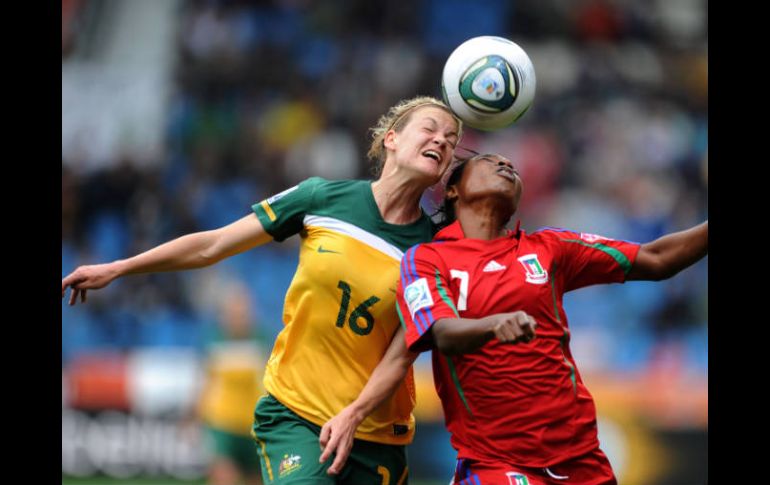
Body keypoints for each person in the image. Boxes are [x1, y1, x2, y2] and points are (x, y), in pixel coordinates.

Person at [62, 95, 463, 484]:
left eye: (451, 139)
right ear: (391, 138)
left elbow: (401, 354)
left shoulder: (434, 249)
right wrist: (119, 267)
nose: (441, 141)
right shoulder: (321, 198)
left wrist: (355, 414)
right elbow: (213, 245)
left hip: (377, 434)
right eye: (430, 129)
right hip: (295, 414)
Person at [395, 153, 708, 485]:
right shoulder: (428, 259)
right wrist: (493, 325)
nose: (506, 166)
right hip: (498, 461)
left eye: (512, 166)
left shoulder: (548, 247)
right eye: (489, 161)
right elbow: (441, 332)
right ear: (453, 190)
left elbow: (656, 259)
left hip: (581, 458)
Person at [193, 284, 267, 485]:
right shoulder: (213, 341)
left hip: (253, 425)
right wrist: (195, 418)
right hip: (222, 423)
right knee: (223, 477)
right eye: (234, 312)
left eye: (243, 312)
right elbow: (205, 383)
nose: (238, 317)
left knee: (257, 479)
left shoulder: (262, 340)